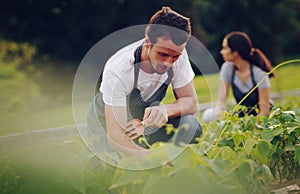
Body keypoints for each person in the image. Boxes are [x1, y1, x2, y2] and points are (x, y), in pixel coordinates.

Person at [87, 6, 202, 158]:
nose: (168, 63)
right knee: (113, 166)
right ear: (148, 42)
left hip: (143, 121)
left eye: (175, 57)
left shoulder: (177, 53)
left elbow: (191, 102)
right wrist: (154, 160)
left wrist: (165, 110)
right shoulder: (118, 70)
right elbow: (116, 139)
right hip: (110, 125)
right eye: (162, 54)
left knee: (191, 126)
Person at [202, 31, 274, 123]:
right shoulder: (227, 68)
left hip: (261, 118)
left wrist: (250, 128)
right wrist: (219, 117)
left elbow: (264, 111)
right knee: (208, 115)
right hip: (243, 116)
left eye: (224, 48)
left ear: (235, 52)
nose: (221, 52)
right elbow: (221, 102)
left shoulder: (258, 73)